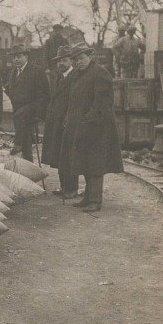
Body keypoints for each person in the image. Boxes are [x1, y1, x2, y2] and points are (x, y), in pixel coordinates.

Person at [60, 42, 124, 213]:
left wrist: (87, 121)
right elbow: (73, 100)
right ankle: (88, 197)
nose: (78, 62)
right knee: (85, 162)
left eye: (81, 58)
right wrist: (69, 117)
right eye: (75, 60)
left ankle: (95, 201)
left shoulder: (100, 74)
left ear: (90, 57)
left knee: (95, 164)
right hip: (81, 126)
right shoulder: (78, 75)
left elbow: (102, 104)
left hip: (97, 127)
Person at [41, 45, 78, 199]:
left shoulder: (75, 77)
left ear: (71, 61)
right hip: (57, 121)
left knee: (69, 156)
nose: (61, 64)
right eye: (59, 61)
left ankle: (72, 188)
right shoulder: (58, 77)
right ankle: (64, 186)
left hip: (68, 121)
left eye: (64, 60)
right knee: (59, 155)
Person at [5, 44, 50, 161]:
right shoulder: (13, 72)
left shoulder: (36, 71)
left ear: (26, 56)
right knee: (26, 142)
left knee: (24, 139)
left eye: (19, 56)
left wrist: (38, 115)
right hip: (18, 111)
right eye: (14, 57)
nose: (16, 60)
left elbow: (43, 95)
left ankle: (18, 144)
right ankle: (26, 162)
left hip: (31, 110)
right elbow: (11, 90)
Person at [44, 24, 68, 91]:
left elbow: (69, 53)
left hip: (64, 66)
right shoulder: (49, 42)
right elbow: (45, 55)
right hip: (53, 67)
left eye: (59, 30)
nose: (58, 32)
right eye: (56, 30)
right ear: (54, 31)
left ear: (61, 31)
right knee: (54, 85)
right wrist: (47, 67)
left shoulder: (65, 41)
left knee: (64, 84)